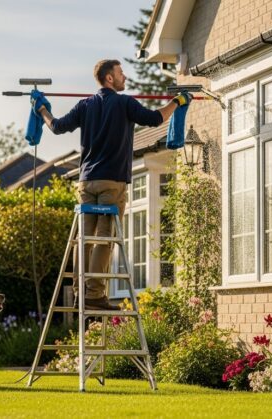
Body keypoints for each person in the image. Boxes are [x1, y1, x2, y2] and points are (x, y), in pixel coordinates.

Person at [31, 59, 191, 310]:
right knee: (105, 238)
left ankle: (80, 293)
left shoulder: (85, 105)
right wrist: (178, 101)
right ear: (109, 78)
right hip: (111, 183)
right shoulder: (124, 103)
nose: (124, 77)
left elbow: (57, 126)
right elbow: (155, 118)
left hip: (86, 182)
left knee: (84, 239)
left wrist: (41, 108)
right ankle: (94, 295)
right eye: (121, 73)